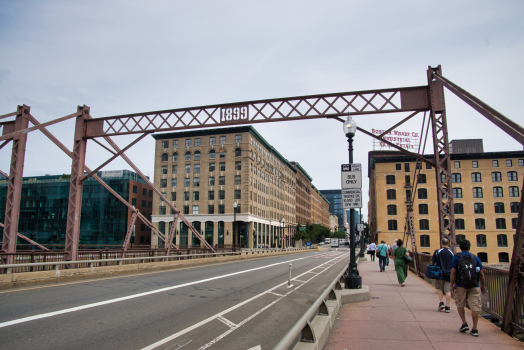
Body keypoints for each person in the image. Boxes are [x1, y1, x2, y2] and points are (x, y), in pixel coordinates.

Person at [450, 240, 486, 337]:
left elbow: (453, 272)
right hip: (474, 285)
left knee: (460, 305)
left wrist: (452, 285)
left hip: (460, 285)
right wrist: (483, 285)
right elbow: (481, 273)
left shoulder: (456, 258)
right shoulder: (475, 257)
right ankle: (475, 329)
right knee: (475, 307)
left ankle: (465, 323)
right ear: (469, 247)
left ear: (460, 247)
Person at [431, 238, 454, 312]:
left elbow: (432, 262)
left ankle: (441, 303)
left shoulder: (437, 251)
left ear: (441, 243)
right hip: (449, 273)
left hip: (439, 273)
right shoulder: (451, 253)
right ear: (448, 244)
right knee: (448, 291)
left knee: (440, 288)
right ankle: (448, 307)